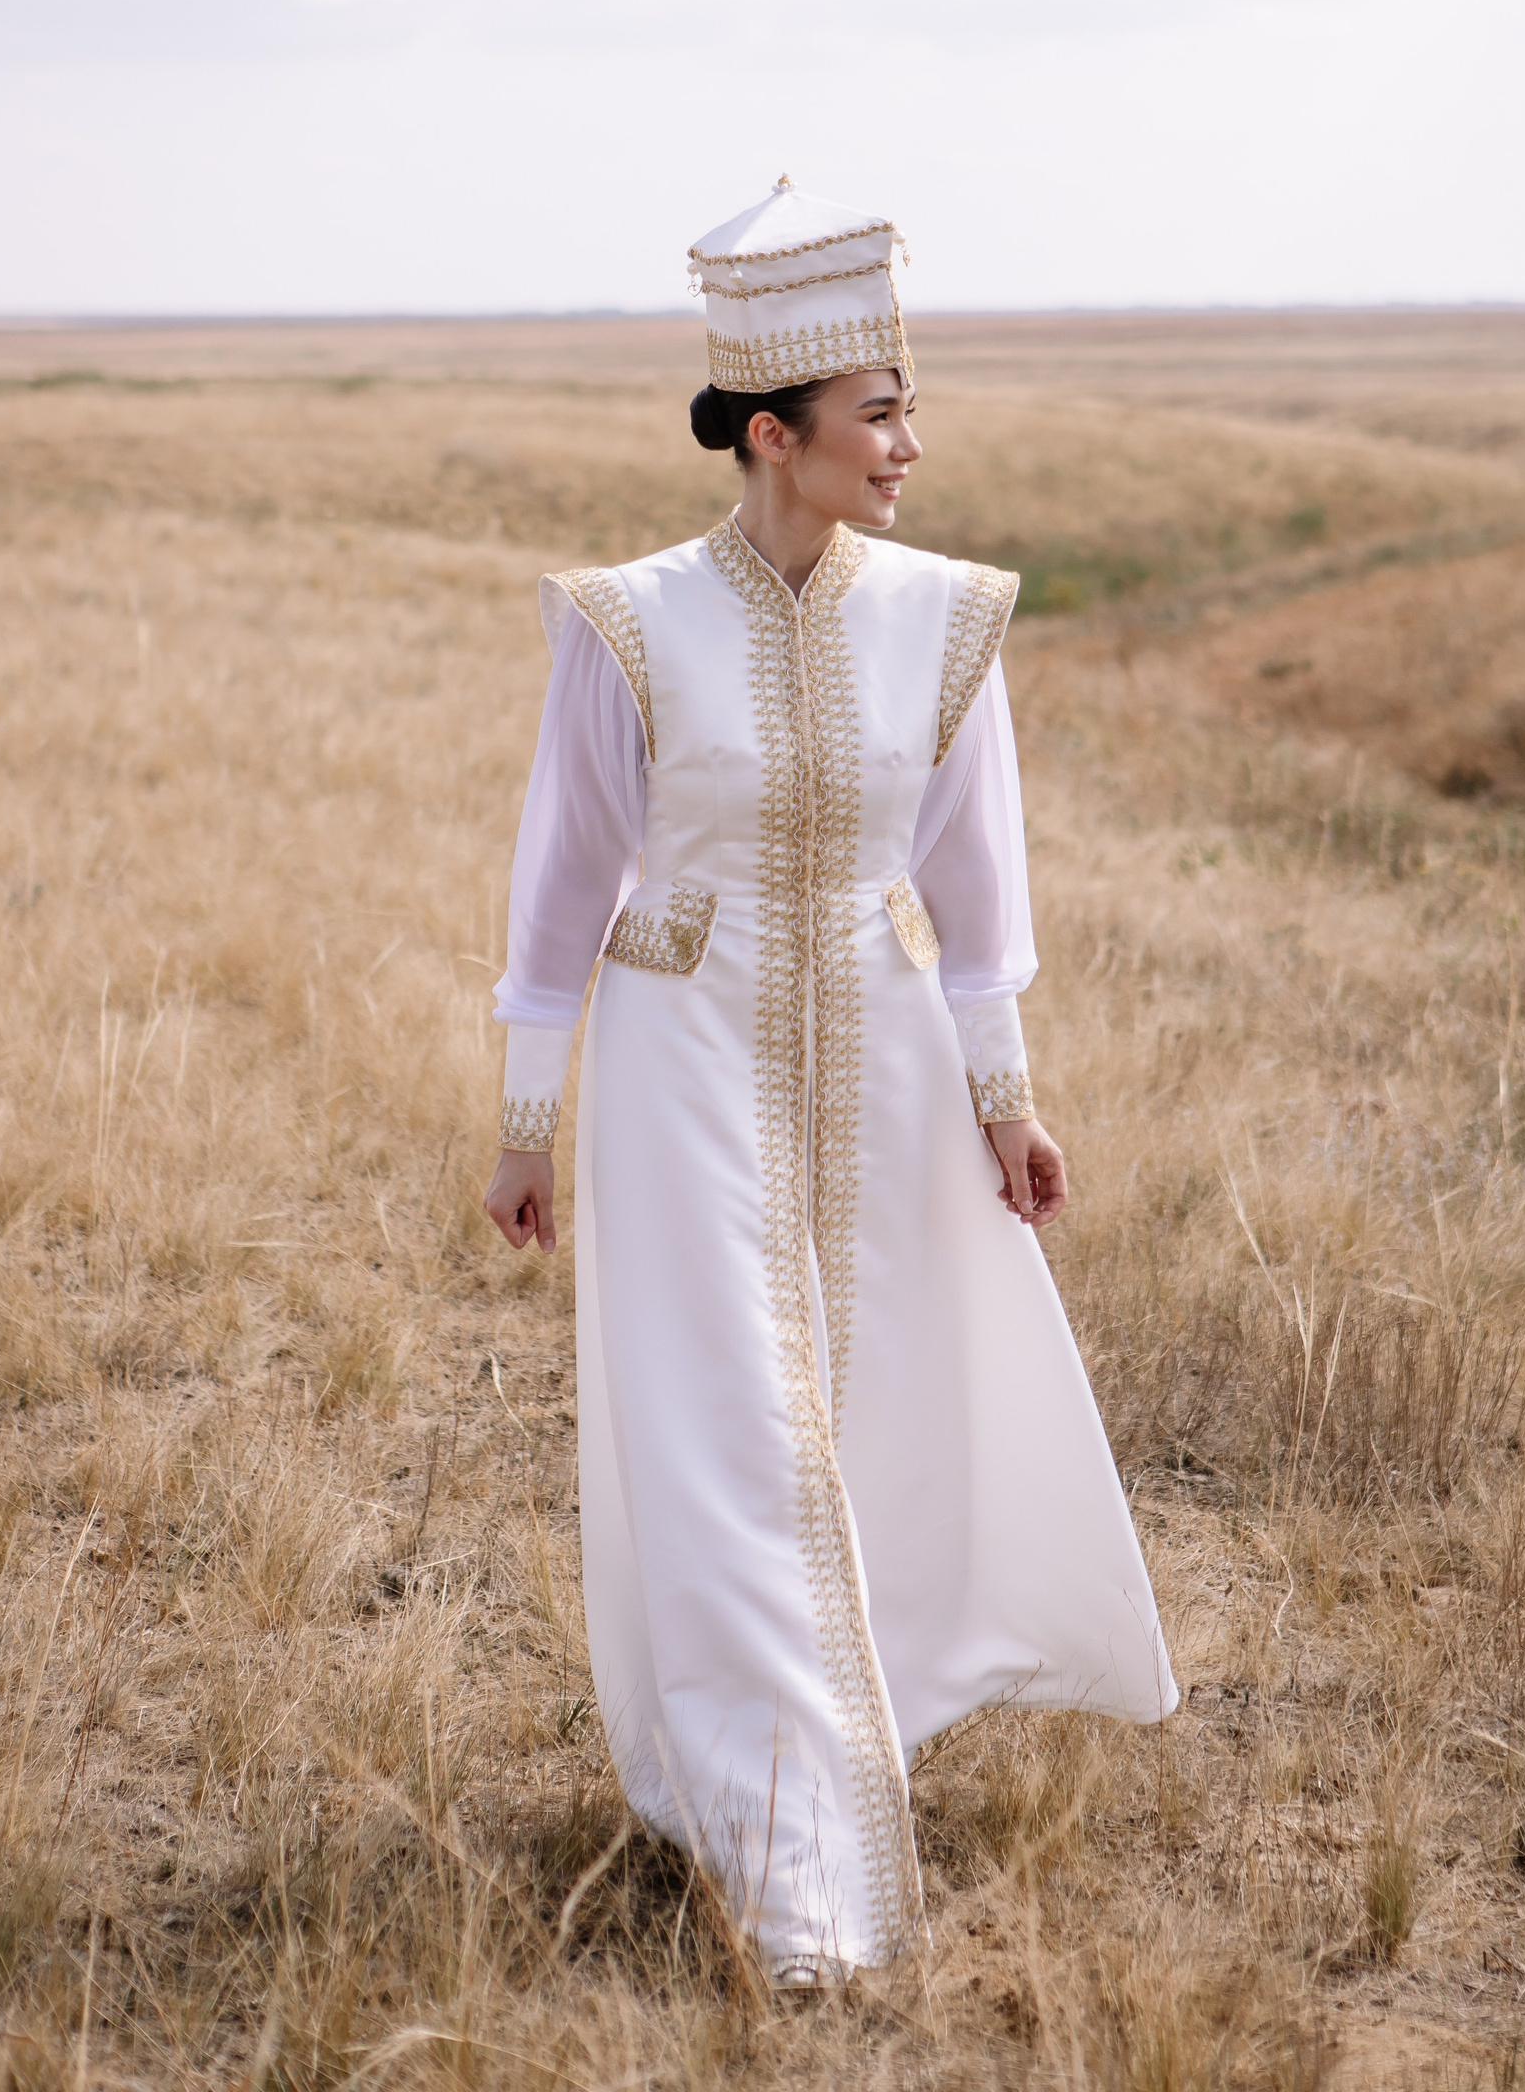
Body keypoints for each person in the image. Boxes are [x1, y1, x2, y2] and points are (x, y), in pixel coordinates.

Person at [484, 178, 1176, 1983]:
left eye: (910, 408)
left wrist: (1006, 1097)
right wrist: (527, 1120)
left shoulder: (946, 621)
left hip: (885, 1054)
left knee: (879, 1419)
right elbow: (561, 891)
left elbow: (978, 896)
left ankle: (846, 1740)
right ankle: (793, 1866)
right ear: (773, 434)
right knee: (734, 1440)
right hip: (677, 1066)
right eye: (879, 414)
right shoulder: (628, 622)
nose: (911, 447)